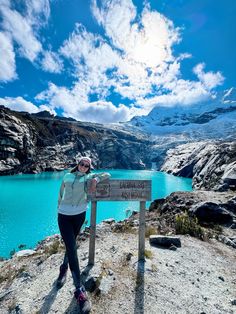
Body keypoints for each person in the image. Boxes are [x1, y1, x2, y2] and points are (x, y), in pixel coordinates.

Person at [56, 156, 110, 313]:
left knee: (71, 244)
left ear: (89, 167)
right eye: (82, 164)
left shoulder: (89, 177)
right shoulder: (67, 176)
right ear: (77, 164)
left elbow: (108, 174)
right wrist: (59, 207)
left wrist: (96, 180)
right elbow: (61, 193)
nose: (84, 167)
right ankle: (79, 289)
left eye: (87, 165)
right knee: (72, 247)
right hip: (64, 215)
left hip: (79, 214)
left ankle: (64, 267)